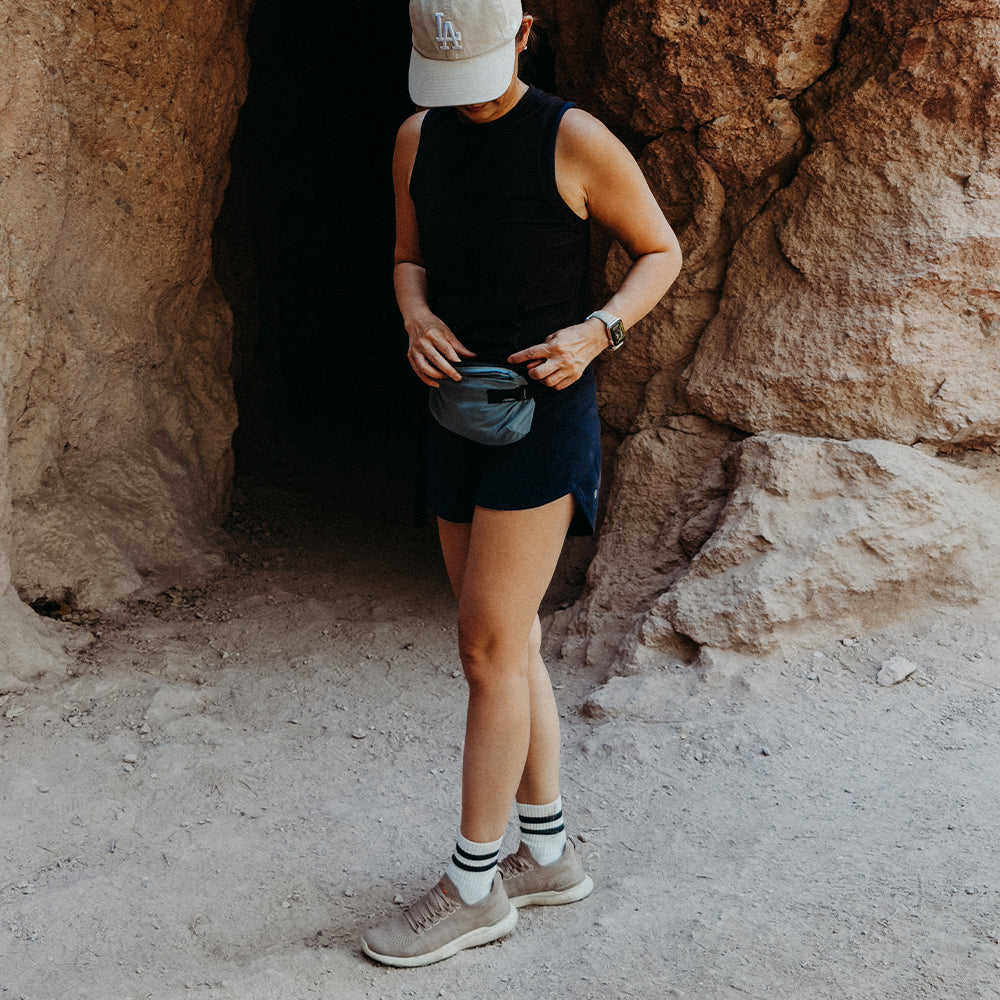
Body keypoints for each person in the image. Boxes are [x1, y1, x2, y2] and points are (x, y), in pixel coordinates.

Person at [360, 0, 682, 967]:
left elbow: (660, 251)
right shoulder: (420, 136)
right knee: (509, 641)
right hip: (458, 410)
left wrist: (599, 331)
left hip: (545, 417)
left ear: (527, 34)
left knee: (486, 645)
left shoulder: (576, 138)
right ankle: (545, 856)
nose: (468, 100)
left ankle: (473, 886)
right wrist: (414, 315)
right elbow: (409, 257)